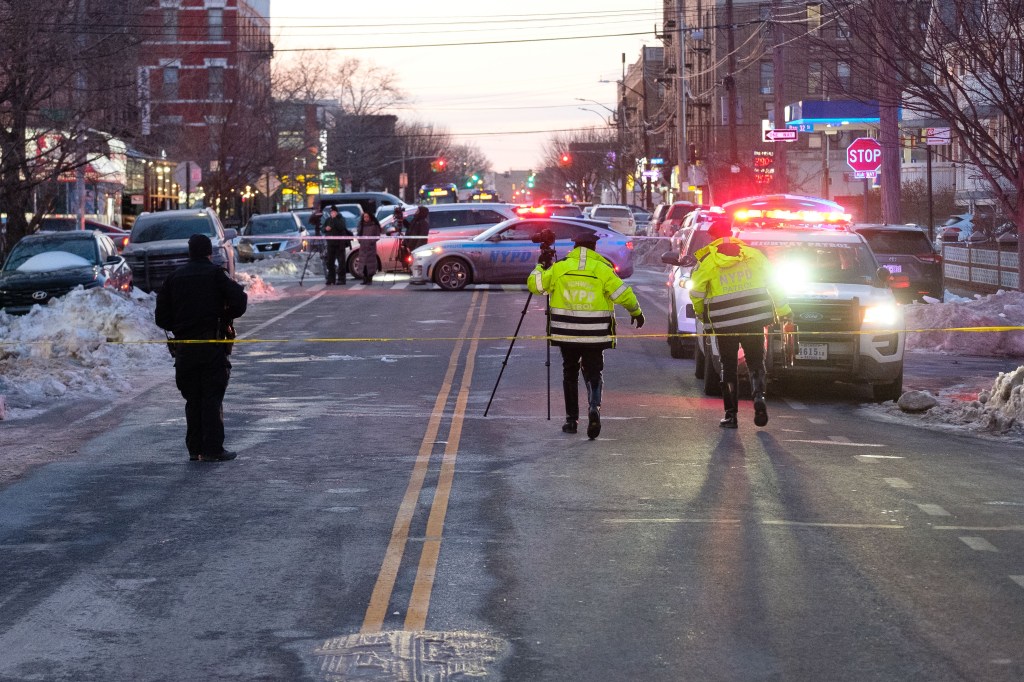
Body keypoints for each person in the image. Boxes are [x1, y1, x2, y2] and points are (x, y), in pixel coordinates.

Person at [526, 232, 644, 440]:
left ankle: (571, 421)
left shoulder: (560, 268)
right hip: (595, 334)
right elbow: (623, 294)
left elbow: (535, 286)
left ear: (575, 247)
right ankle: (594, 407)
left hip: (566, 333)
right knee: (594, 372)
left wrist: (540, 266)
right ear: (594, 248)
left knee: (569, 372)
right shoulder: (602, 269)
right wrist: (636, 312)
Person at [688, 220, 791, 429]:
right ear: (732, 233)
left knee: (728, 366)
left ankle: (731, 415)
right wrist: (784, 311)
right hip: (754, 319)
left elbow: (696, 293)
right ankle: (759, 396)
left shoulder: (708, 261)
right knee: (756, 362)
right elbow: (775, 285)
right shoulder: (754, 255)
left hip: (725, 323)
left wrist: (702, 315)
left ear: (712, 238)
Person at [156, 234, 248, 461]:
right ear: (209, 253)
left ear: (190, 253)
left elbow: (161, 318)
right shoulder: (216, 275)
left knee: (193, 398)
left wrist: (180, 326)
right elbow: (240, 300)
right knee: (211, 397)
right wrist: (224, 316)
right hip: (211, 346)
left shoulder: (173, 278)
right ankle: (212, 449)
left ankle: (194, 448)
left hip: (184, 348)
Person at [322, 206, 353, 285]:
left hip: (339, 244)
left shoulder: (341, 219)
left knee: (341, 262)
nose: (332, 213)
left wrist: (335, 219)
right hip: (330, 244)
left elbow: (341, 227)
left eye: (333, 212)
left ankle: (341, 279)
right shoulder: (328, 220)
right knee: (330, 262)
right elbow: (322, 228)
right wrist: (325, 228)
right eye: (331, 212)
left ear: (336, 212)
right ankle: (331, 279)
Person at [355, 211, 382, 285]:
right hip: (363, 247)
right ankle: (364, 279)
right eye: (364, 217)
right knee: (363, 264)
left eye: (367, 217)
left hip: (371, 248)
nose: (366, 218)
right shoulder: (361, 225)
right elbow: (359, 235)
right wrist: (360, 241)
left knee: (370, 264)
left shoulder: (374, 225)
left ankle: (369, 279)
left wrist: (371, 241)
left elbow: (377, 236)